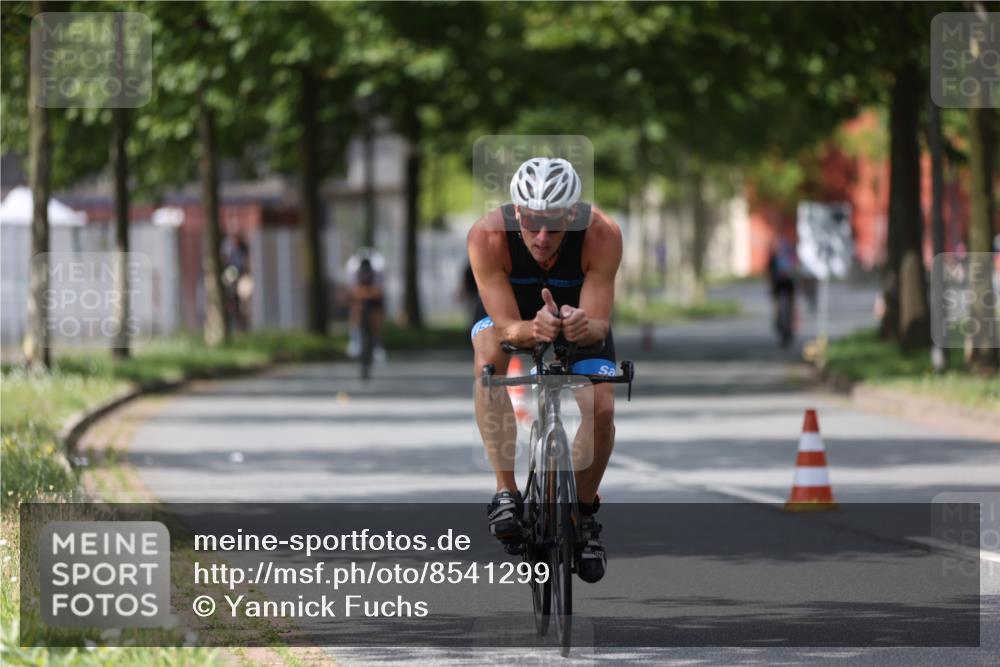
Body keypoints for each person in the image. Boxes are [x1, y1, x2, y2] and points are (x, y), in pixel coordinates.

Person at [467, 157, 622, 583]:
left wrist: (582, 325)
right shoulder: (487, 236)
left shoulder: (602, 234)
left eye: (553, 227)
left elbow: (600, 323)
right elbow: (504, 327)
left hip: (579, 315)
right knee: (488, 360)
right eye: (532, 223)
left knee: (603, 406)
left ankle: (583, 515)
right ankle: (505, 492)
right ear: (517, 210)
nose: (541, 237)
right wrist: (531, 329)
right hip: (512, 313)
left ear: (572, 215)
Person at [345, 247, 386, 363]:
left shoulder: (379, 268)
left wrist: (370, 293)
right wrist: (361, 294)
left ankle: (378, 345)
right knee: (355, 308)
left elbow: (379, 291)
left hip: (374, 295)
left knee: (377, 315)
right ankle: (354, 339)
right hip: (359, 295)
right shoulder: (352, 268)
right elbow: (352, 290)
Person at [767, 237, 797, 347]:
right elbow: (796, 272)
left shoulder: (775, 257)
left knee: (780, 311)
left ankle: (783, 331)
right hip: (788, 288)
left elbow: (769, 274)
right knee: (788, 311)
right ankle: (787, 332)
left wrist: (770, 287)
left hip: (779, 287)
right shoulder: (790, 257)